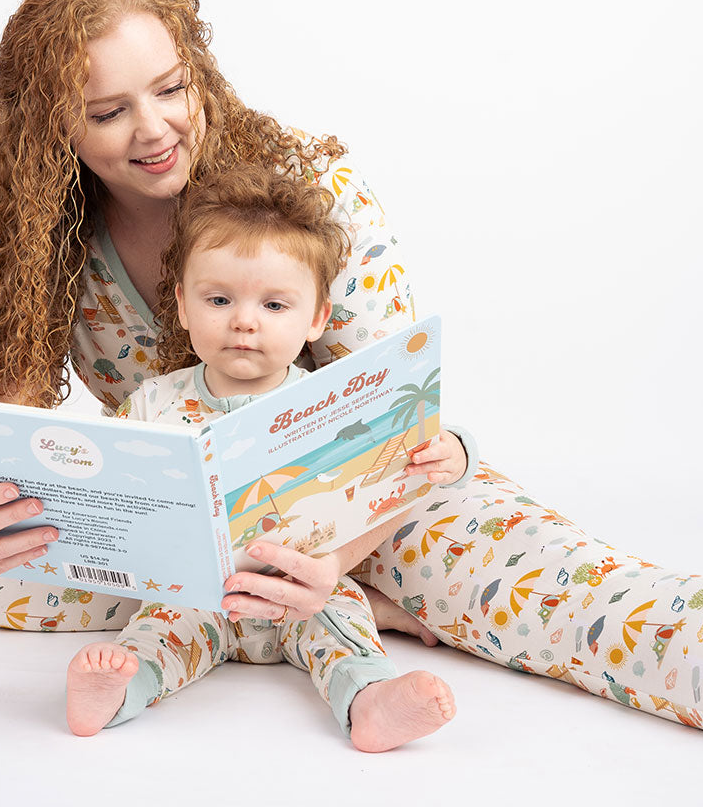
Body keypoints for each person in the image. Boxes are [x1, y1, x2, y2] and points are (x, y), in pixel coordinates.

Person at [0, 0, 703, 735]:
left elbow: (403, 419)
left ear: (199, 75)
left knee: (578, 603)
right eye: (107, 112)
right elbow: (5, 427)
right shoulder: (42, 237)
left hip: (369, 509)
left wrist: (332, 564)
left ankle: (361, 601)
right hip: (178, 540)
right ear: (51, 128)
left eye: (172, 88)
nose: (153, 128)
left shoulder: (309, 192)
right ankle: (326, 613)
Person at [65, 165, 458, 748]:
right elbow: (109, 484)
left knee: (343, 617)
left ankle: (368, 701)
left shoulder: (328, 403)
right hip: (198, 598)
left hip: (302, 594)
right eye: (219, 299)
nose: (244, 320)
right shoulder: (153, 403)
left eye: (275, 305)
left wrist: (455, 449)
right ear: (181, 305)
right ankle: (118, 693)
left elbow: (402, 451)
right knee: (155, 628)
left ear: (317, 318)